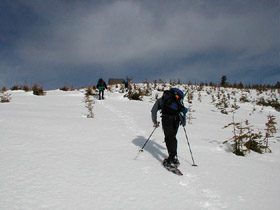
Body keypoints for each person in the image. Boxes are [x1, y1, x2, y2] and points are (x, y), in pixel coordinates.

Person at [151, 88, 187, 167]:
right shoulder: (177, 99)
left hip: (167, 119)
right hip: (176, 119)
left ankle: (171, 158)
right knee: (173, 137)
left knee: (168, 137)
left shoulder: (162, 100)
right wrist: (183, 121)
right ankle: (174, 156)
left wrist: (155, 122)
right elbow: (182, 110)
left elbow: (153, 111)